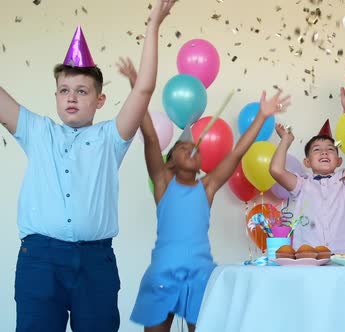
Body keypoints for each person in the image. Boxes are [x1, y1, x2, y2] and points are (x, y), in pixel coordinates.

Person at [0, 1, 175, 331]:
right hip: (40, 260)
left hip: (95, 263)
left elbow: (144, 89)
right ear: (55, 95)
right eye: (64, 90)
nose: (71, 97)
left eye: (82, 91)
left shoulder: (111, 137)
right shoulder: (37, 131)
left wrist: (152, 26)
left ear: (100, 100)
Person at [119, 59, 290, 332]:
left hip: (200, 275)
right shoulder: (162, 183)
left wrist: (262, 116)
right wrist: (135, 86)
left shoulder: (207, 187)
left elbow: (236, 153)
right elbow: (150, 137)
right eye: (183, 147)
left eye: (195, 148)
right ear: (170, 160)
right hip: (163, 273)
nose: (192, 149)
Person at [269, 75, 345, 254]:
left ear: (339, 161)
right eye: (316, 150)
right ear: (307, 162)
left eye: (330, 149)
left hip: (342, 260)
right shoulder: (301, 185)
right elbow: (275, 169)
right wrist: (286, 140)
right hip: (307, 259)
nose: (323, 152)